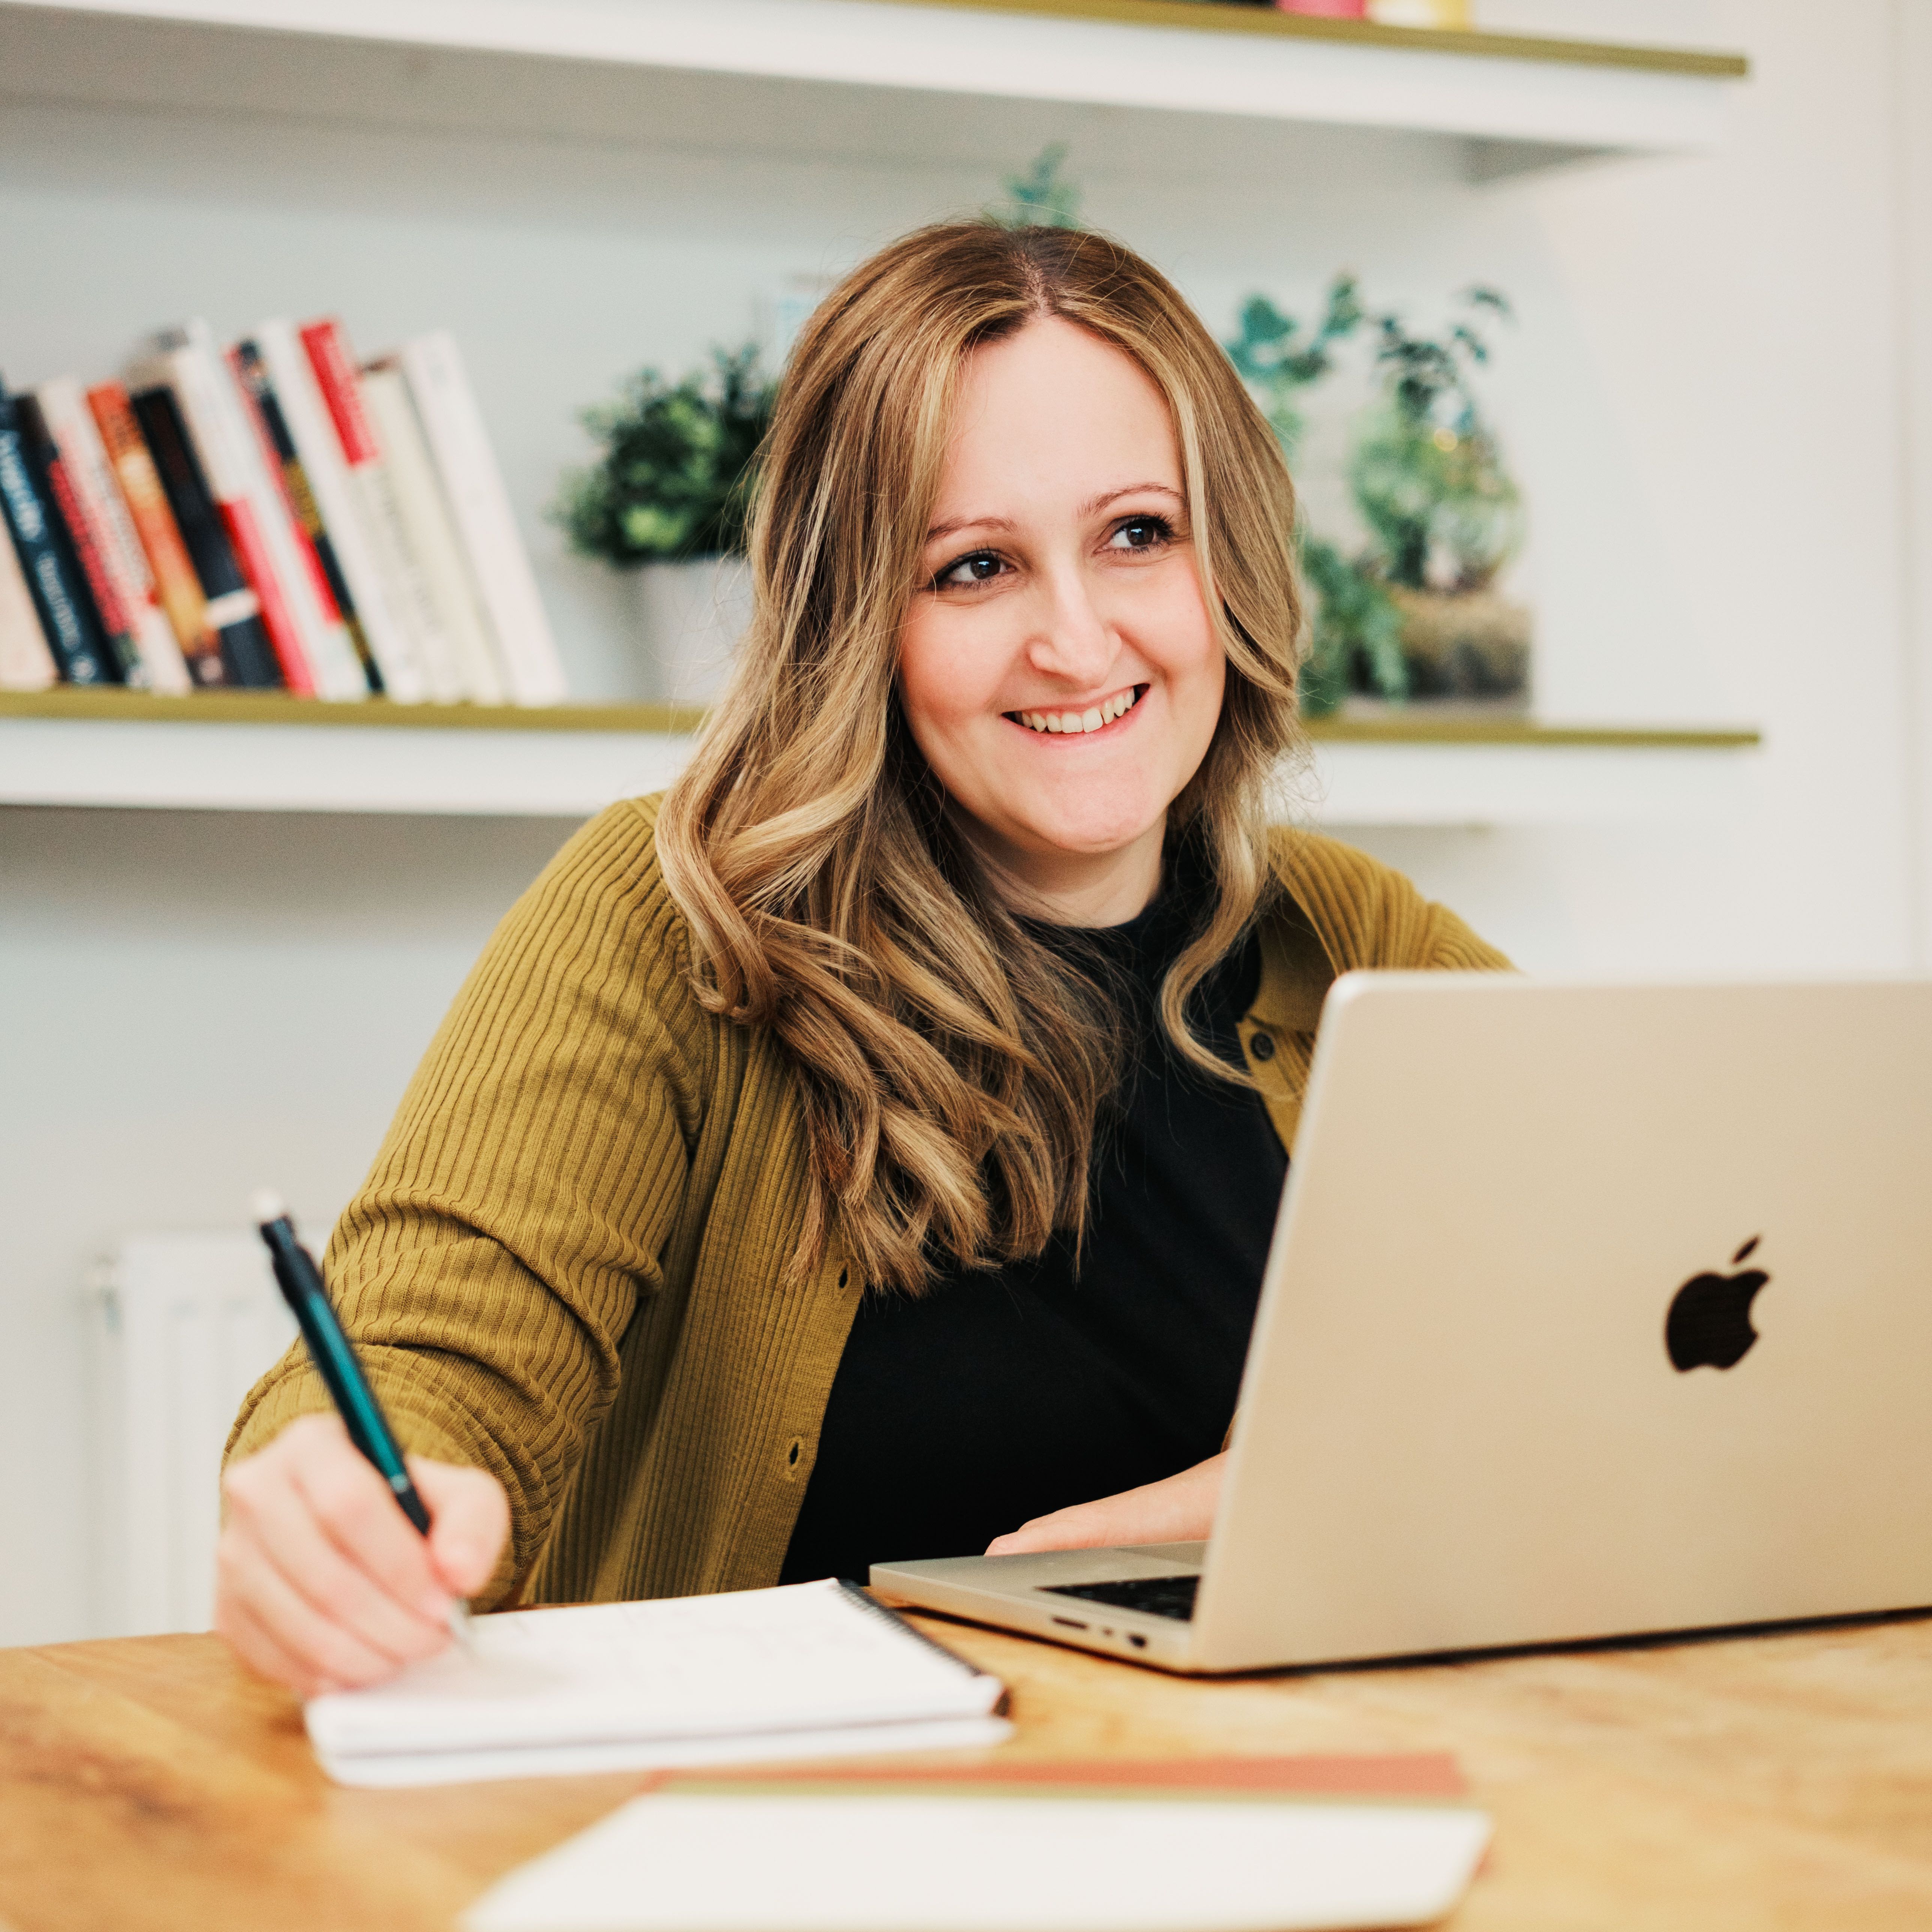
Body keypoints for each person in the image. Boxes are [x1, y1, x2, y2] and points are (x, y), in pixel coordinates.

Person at [216, 221, 1508, 1697]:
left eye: (1137, 535)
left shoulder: (1349, 942)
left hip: (1284, 1818)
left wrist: (1237, 1499)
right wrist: (329, 1502)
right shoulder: (664, 917)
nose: (1077, 642)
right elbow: (428, 1367)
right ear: (856, 621)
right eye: (973, 568)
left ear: (1231, 566)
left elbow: (1622, 1334)